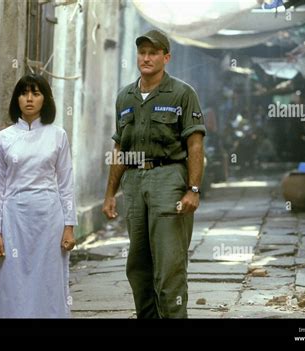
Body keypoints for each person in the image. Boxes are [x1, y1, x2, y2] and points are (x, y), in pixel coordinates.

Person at [102, 30, 206, 318]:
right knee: (138, 267)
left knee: (169, 267)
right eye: (142, 52)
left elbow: (195, 144)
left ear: (166, 57)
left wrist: (193, 190)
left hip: (168, 178)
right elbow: (120, 147)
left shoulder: (182, 93)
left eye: (153, 53)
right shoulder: (125, 97)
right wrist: (110, 193)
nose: (146, 58)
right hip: (134, 184)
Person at [0, 74, 77, 318]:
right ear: (16, 98)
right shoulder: (3, 139)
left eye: (36, 94)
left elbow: (66, 183)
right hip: (14, 217)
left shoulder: (58, 135)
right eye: (24, 93)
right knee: (12, 278)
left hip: (49, 217)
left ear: (45, 100)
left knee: (50, 279)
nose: (29, 99)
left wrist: (69, 226)